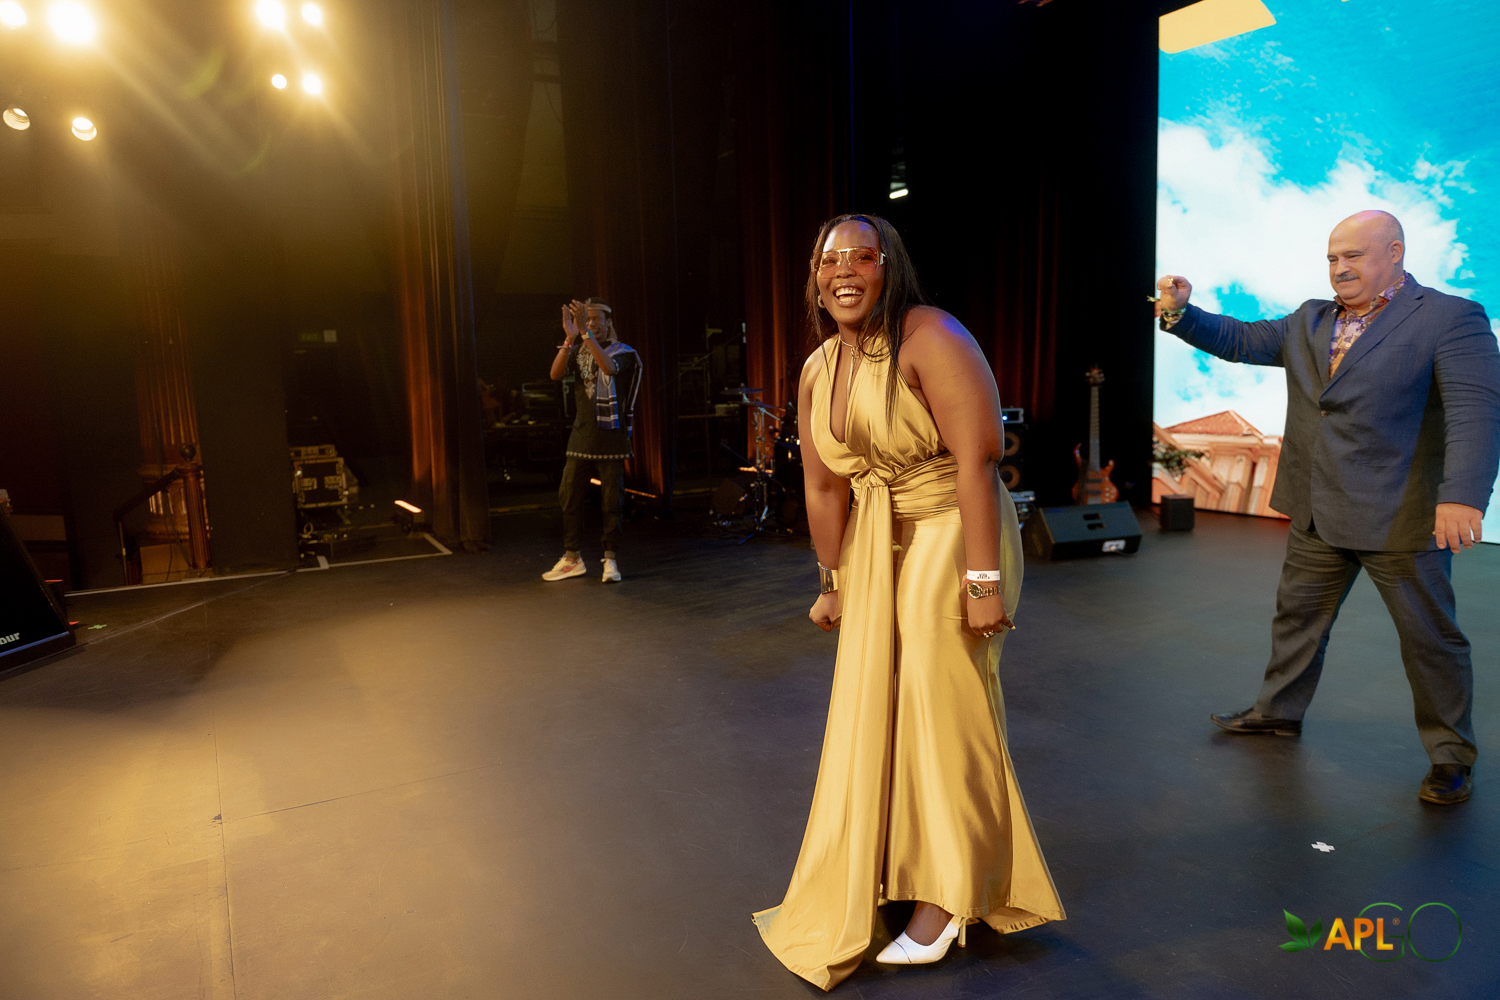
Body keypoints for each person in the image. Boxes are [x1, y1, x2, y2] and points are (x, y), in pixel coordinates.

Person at [753, 215, 1065, 991]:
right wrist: (831, 581)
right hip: (875, 542)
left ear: (888, 268)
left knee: (942, 707)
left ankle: (949, 896)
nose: (844, 271)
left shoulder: (931, 335)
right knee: (879, 708)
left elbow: (978, 462)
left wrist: (982, 583)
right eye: (829, 260)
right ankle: (896, 865)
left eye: (862, 256)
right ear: (814, 279)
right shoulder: (819, 366)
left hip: (953, 528)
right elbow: (823, 485)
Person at [1156, 210, 1500, 805]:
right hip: (1317, 508)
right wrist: (1181, 313)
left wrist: (1463, 496)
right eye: (1333, 258)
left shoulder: (1449, 317)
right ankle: (1278, 711)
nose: (1340, 268)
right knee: (1297, 621)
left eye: (1353, 256)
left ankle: (1450, 755)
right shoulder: (1310, 319)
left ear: (1394, 252)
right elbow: (1239, 340)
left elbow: (1476, 410)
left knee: (1430, 641)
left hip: (1400, 514)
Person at [541, 297, 642, 585]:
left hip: (611, 438)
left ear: (609, 323)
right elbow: (555, 374)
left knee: (611, 502)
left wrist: (585, 334)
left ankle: (610, 559)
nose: (592, 323)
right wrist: (569, 338)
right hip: (581, 435)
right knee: (569, 496)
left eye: (597, 319)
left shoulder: (625, 352)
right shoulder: (579, 349)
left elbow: (608, 368)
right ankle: (572, 558)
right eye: (588, 319)